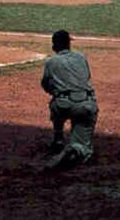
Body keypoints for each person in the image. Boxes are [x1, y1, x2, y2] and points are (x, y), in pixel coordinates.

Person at [41, 30, 98, 170]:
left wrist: (56, 91)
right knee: (83, 141)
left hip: (62, 105)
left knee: (55, 105)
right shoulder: (81, 57)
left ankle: (58, 139)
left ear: (54, 45)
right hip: (85, 104)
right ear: (69, 44)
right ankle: (76, 149)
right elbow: (86, 77)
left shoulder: (51, 62)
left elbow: (45, 84)